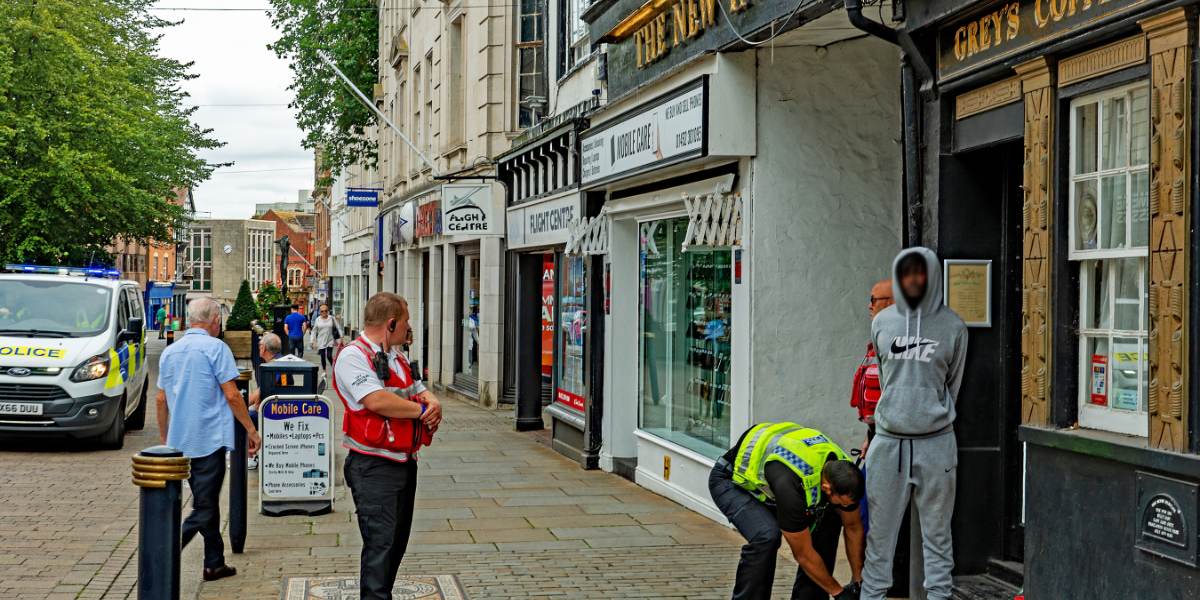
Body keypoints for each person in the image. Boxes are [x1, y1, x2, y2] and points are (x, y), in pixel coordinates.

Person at [861, 248, 968, 600]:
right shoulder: (882, 321)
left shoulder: (954, 325)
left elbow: (952, 386)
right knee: (879, 537)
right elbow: (886, 379)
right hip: (888, 443)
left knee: (937, 536)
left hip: (936, 443)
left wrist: (925, 410)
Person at [332, 292, 443, 600]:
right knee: (380, 546)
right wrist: (423, 410)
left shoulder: (397, 355)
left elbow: (420, 389)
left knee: (395, 544)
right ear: (391, 322)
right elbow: (377, 400)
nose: (409, 327)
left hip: (404, 461)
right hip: (374, 466)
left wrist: (433, 403)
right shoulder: (353, 356)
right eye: (406, 321)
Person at [156, 298, 261, 582]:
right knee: (203, 507)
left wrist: (165, 438)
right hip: (209, 440)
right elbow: (231, 394)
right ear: (215, 320)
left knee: (206, 502)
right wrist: (251, 430)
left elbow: (161, 398)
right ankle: (162, 552)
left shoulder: (171, 352)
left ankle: (214, 562)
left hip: (180, 442)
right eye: (219, 320)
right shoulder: (217, 348)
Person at [709, 422, 866, 600]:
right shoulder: (791, 485)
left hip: (772, 485)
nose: (845, 507)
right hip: (730, 480)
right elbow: (803, 554)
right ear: (826, 487)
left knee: (830, 517)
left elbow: (853, 526)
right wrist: (839, 593)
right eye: (842, 503)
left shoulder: (843, 473)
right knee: (766, 536)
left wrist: (858, 585)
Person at [855, 280, 894, 457]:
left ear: (892, 302)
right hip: (877, 435)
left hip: (892, 441)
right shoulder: (878, 341)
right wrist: (869, 436)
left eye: (874, 300)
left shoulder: (901, 348)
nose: (870, 306)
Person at [311, 304, 339, 375]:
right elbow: (314, 331)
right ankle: (324, 371)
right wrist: (311, 341)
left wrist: (341, 336)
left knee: (329, 355)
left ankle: (332, 365)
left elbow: (337, 327)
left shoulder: (331, 318)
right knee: (322, 355)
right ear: (320, 312)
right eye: (322, 311)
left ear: (327, 311)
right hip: (321, 339)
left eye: (325, 311)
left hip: (330, 339)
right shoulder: (318, 320)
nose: (324, 312)